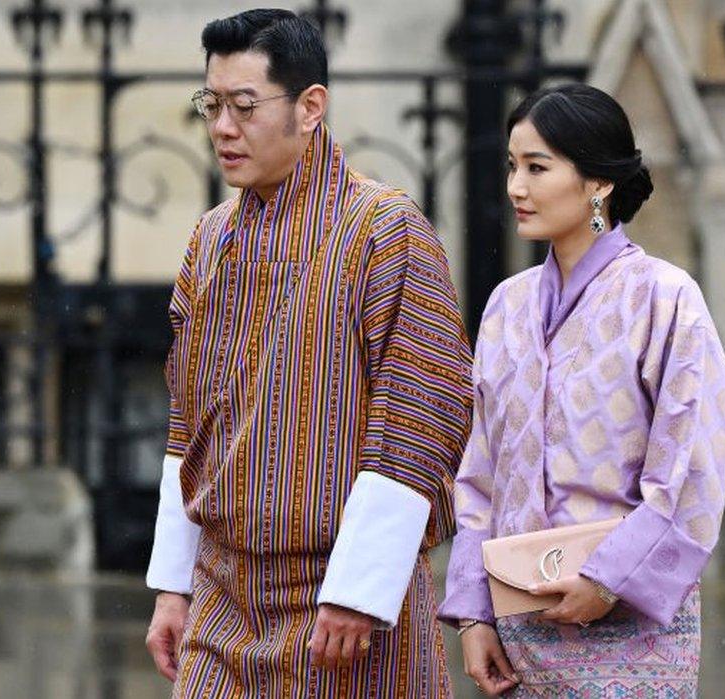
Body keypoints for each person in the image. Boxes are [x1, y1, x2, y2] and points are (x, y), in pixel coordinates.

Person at [143, 10, 472, 697]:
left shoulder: (384, 230)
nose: (222, 128)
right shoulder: (210, 239)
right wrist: (173, 585)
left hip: (341, 609)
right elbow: (188, 422)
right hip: (221, 596)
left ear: (310, 107)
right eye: (212, 105)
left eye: (244, 106)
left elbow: (421, 413)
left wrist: (359, 586)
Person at [439, 84, 725, 697]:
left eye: (537, 168)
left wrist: (609, 581)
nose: (515, 187)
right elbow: (481, 474)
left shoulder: (663, 297)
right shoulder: (507, 306)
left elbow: (691, 466)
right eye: (512, 167)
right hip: (520, 624)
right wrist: (473, 612)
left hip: (632, 629)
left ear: (598, 182)